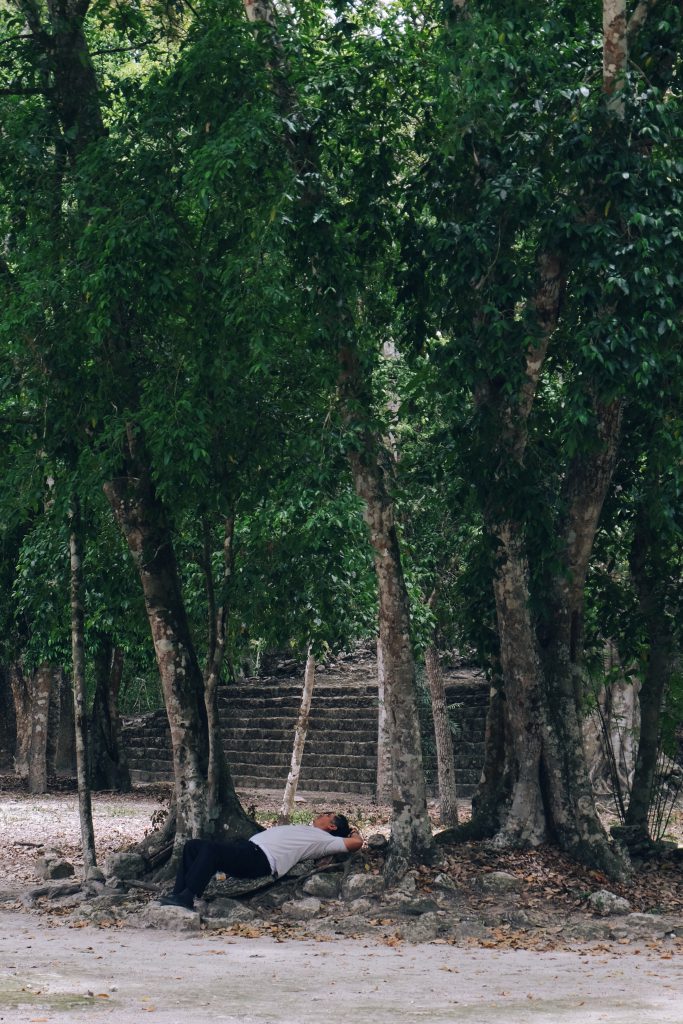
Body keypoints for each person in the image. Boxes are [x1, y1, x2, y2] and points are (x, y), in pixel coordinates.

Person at [159, 811, 363, 909]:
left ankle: (188, 896)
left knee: (210, 851)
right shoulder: (310, 830)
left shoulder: (325, 840)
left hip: (262, 859)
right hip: (249, 849)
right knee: (192, 846)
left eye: (327, 815)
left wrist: (353, 830)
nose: (321, 814)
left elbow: (355, 844)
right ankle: (179, 893)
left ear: (333, 827)